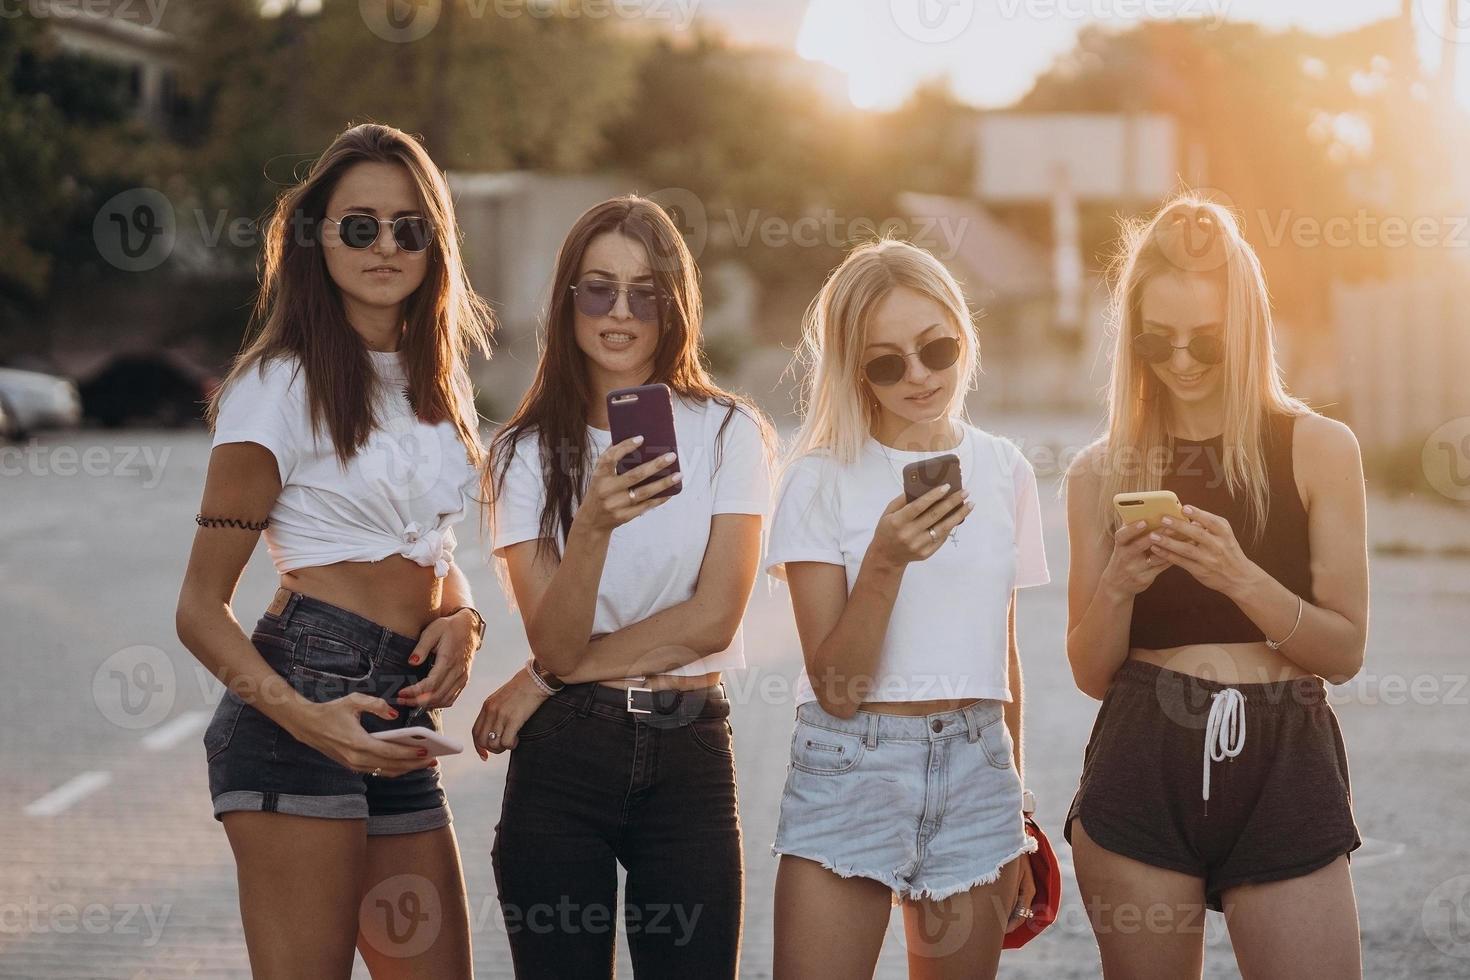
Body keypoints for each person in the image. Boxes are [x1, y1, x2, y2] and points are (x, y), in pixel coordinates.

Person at [175, 123, 491, 979]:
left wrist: (465, 616)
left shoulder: (439, 382)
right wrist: (307, 718)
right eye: (359, 225)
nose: (385, 245)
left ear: (435, 243)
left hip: (400, 715)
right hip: (299, 711)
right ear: (316, 236)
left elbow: (430, 548)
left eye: (408, 227)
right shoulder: (275, 386)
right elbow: (199, 610)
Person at [1063, 195, 1368, 978]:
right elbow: (1092, 673)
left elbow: (1342, 652)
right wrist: (1121, 586)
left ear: (1249, 332)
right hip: (1142, 755)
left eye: (1207, 339)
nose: (1184, 359)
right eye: (1158, 340)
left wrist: (1240, 576)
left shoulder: (1317, 448)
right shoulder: (1101, 469)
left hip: (1283, 757)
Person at [472, 196, 773, 978]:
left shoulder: (730, 433)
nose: (621, 313)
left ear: (674, 307)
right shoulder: (522, 455)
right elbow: (557, 642)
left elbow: (712, 621)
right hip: (566, 756)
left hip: (690, 748)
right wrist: (594, 527)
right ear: (568, 297)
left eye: (646, 293)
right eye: (598, 288)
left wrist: (542, 678)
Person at [764, 239, 1049, 979]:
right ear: (853, 369)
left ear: (964, 331)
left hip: (978, 766)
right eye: (886, 362)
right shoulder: (819, 480)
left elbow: (1002, 657)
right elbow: (837, 688)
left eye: (937, 348)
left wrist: (1015, 811)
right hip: (852, 761)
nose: (919, 376)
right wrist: (885, 562)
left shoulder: (1005, 468)